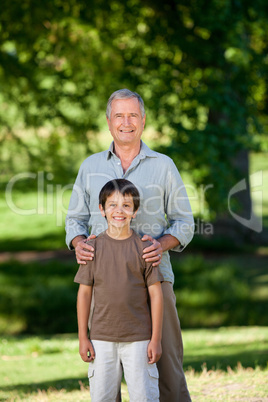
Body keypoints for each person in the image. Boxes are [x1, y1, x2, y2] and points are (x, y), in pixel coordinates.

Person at [66, 88, 194, 401]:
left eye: (133, 115)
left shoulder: (163, 165)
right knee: (106, 369)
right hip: (103, 284)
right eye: (119, 115)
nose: (126, 122)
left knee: (167, 364)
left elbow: (185, 222)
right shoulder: (90, 166)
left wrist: (161, 244)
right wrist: (78, 241)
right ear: (109, 122)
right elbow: (74, 220)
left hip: (154, 279)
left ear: (143, 120)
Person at [74, 178, 163, 401]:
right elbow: (84, 294)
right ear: (101, 209)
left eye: (126, 205)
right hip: (101, 339)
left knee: (144, 396)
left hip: (139, 339)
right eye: (112, 205)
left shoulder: (145, 248)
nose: (119, 211)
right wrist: (83, 337)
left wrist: (156, 339)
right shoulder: (91, 248)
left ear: (135, 211)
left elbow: (156, 295)